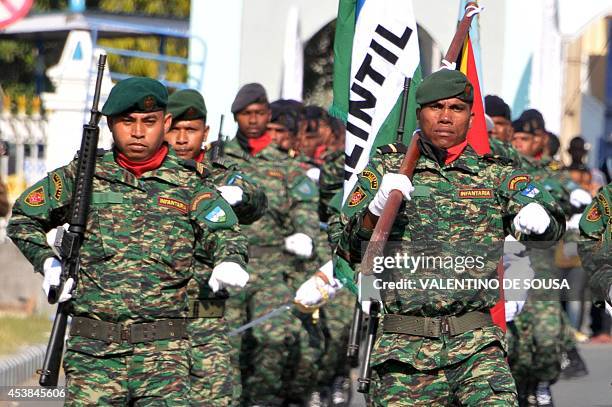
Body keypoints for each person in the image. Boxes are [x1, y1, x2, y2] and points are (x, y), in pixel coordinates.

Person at [319, 69, 566, 406]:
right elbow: (346, 247)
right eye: (436, 107)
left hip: (476, 346)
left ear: (471, 116)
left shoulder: (495, 173)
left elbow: (553, 225)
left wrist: (539, 218)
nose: (446, 117)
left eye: (456, 108)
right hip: (403, 352)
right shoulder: (386, 168)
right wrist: (374, 210)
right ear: (419, 112)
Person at [7, 77, 249, 405]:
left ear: (165, 123)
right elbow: (24, 218)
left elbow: (224, 231)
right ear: (109, 125)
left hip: (164, 355)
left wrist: (230, 259)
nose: (137, 132)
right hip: (94, 354)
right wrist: (48, 263)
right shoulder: (82, 177)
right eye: (127, 122)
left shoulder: (189, 182)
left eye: (148, 122)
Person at [165, 88, 267, 405]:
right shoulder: (148, 177)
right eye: (175, 129)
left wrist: (240, 196)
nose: (182, 139)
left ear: (205, 132)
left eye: (191, 130)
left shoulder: (220, 174)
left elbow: (255, 198)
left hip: (205, 316)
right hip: (157, 319)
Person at [223, 83, 322, 405]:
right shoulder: (220, 158)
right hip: (228, 264)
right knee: (229, 345)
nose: (253, 120)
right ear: (236, 116)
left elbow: (304, 205)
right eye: (246, 114)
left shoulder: (286, 165)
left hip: (271, 265)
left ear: (267, 115)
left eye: (259, 113)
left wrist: (305, 233)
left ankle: (262, 399)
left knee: (273, 337)